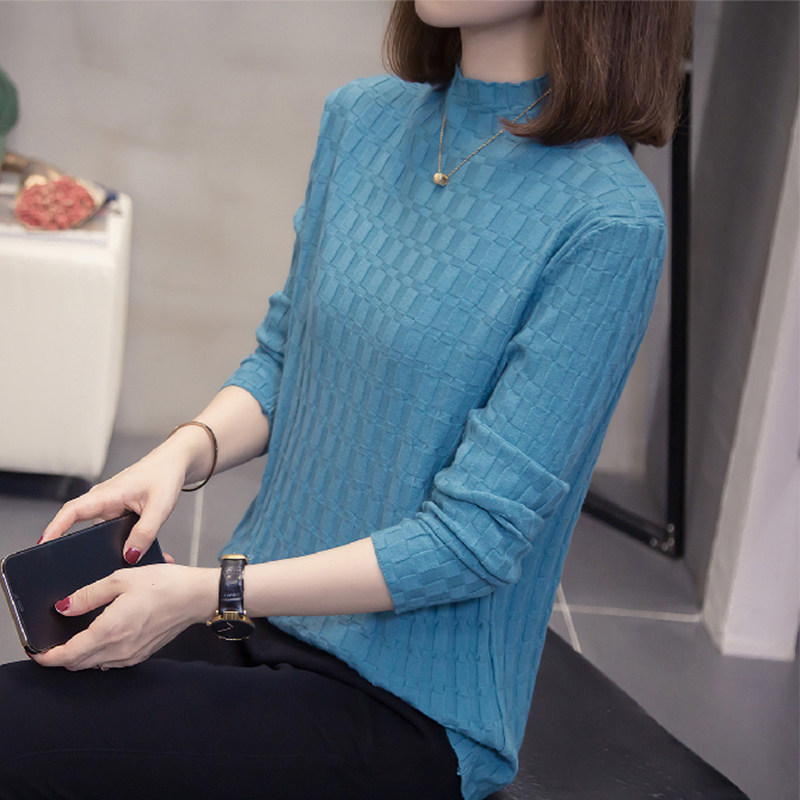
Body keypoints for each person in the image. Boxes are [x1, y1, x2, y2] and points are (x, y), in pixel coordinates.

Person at [0, 2, 694, 798]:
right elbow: (285, 358)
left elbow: (472, 541)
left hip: (404, 704)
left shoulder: (610, 223)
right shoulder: (360, 119)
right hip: (257, 619)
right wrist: (180, 455)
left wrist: (208, 590)